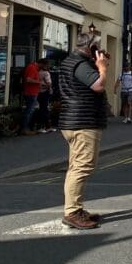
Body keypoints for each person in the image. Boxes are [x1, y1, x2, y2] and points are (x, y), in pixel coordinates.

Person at [57, 31, 109, 230]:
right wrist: (102, 67)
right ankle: (72, 212)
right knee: (82, 166)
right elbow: (98, 85)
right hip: (83, 122)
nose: (100, 49)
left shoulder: (74, 61)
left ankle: (75, 208)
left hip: (76, 120)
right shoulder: (80, 64)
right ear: (91, 47)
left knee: (77, 166)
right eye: (97, 46)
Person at [21, 58, 41, 135]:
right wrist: (39, 82)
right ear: (41, 64)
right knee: (29, 111)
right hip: (31, 93)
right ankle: (25, 129)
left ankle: (27, 128)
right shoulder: (32, 68)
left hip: (32, 93)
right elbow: (28, 79)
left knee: (30, 110)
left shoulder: (34, 68)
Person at [36, 59, 54, 133]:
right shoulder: (46, 73)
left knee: (42, 108)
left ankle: (44, 126)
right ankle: (44, 126)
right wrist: (50, 89)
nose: (48, 66)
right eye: (47, 65)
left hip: (38, 92)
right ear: (44, 65)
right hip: (45, 92)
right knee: (44, 109)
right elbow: (49, 83)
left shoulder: (38, 72)